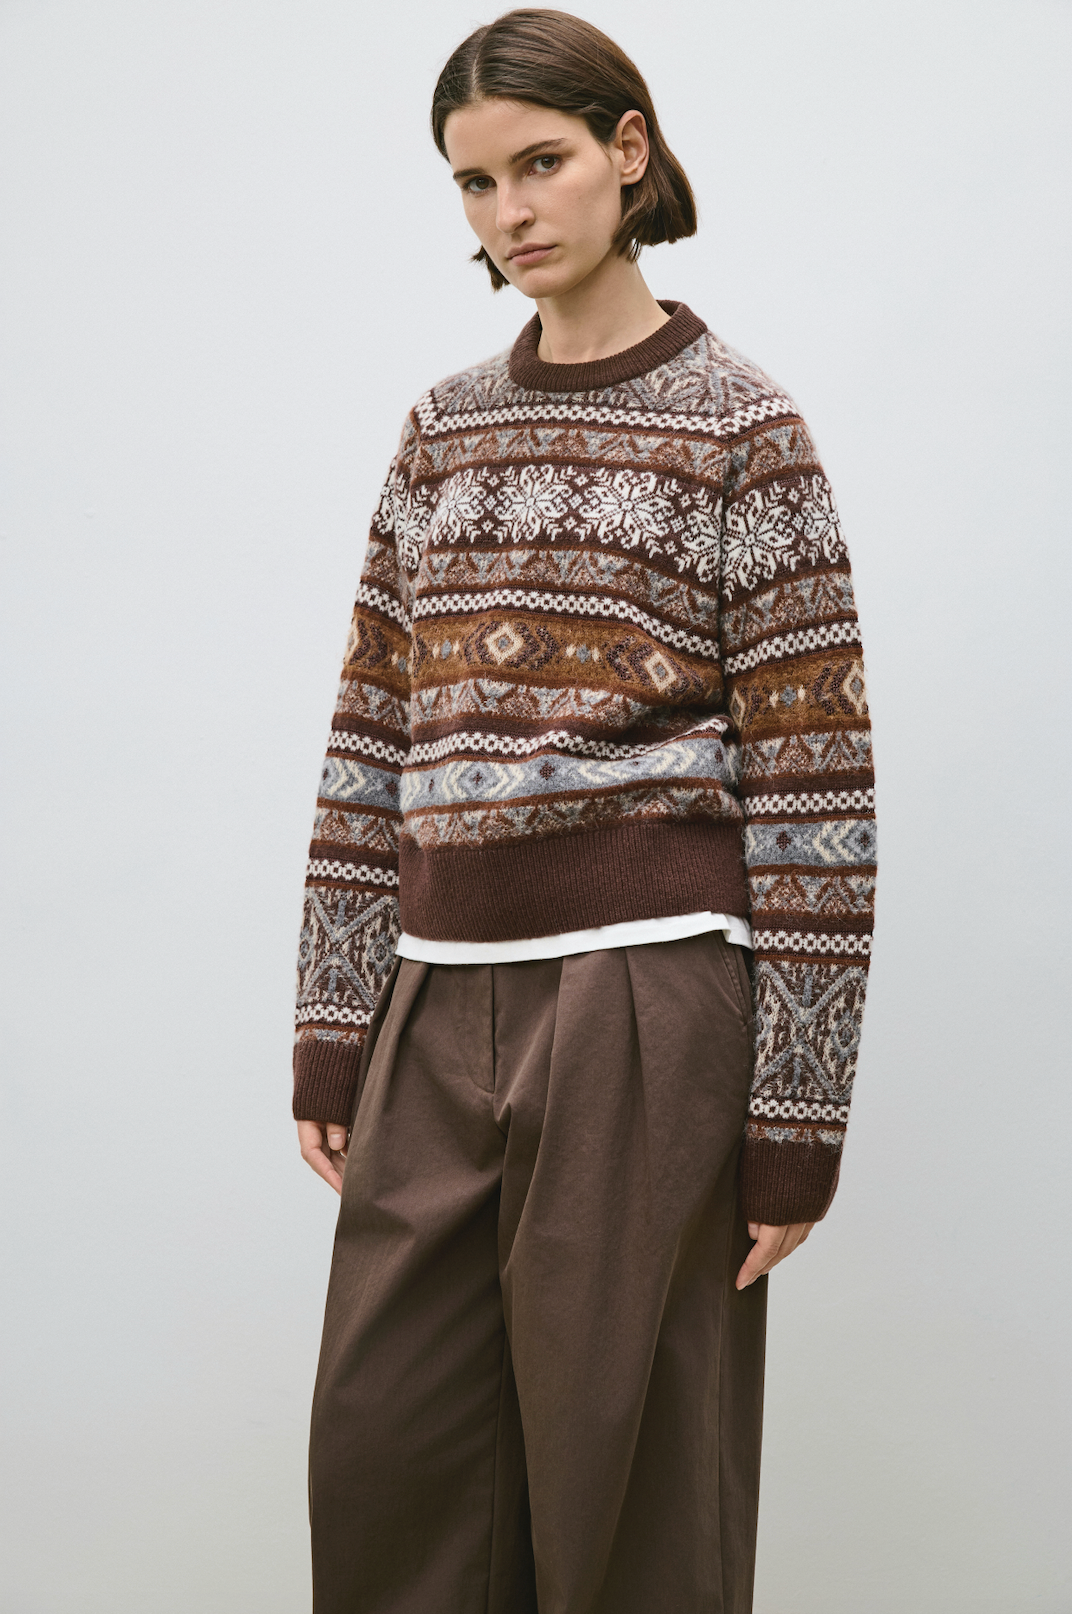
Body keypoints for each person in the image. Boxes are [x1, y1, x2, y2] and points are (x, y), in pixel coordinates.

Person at [292, 10, 876, 1612]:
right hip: (434, 1001)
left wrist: (797, 1117)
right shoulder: (441, 428)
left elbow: (820, 792)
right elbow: (370, 732)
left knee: (627, 1491)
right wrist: (335, 1023)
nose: (510, 212)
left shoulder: (745, 429)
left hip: (647, 1003)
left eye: (539, 163)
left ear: (629, 152)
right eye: (475, 183)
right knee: (390, 1459)